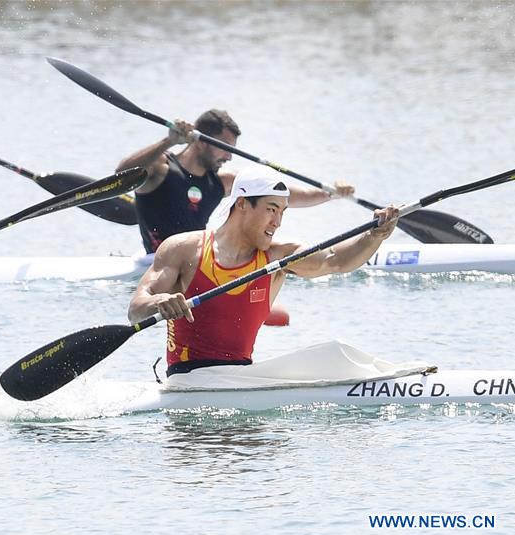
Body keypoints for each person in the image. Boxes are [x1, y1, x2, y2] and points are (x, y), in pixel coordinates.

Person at [127, 165, 398, 376]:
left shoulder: (279, 256)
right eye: (271, 209)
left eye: (282, 212)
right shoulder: (183, 249)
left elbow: (335, 260)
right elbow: (136, 309)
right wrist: (160, 302)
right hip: (187, 379)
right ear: (242, 204)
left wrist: (375, 235)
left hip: (241, 377)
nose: (277, 222)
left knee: (332, 355)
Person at [115, 110, 355, 254]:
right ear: (201, 141)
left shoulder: (222, 181)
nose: (229, 157)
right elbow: (121, 174)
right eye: (224, 148)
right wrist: (169, 141)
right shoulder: (160, 168)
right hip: (156, 261)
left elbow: (283, 194)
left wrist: (331, 193)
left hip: (196, 259)